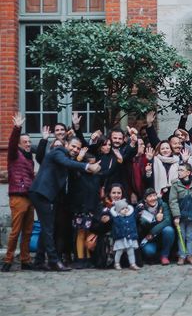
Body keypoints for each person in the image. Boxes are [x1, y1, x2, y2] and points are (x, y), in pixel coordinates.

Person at [29, 136, 101, 271]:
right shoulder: (59, 152)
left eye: (78, 148)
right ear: (67, 144)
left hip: (49, 196)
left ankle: (39, 261)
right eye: (73, 146)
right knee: (49, 228)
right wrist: (88, 166)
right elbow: (67, 163)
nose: (75, 149)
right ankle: (53, 261)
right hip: (41, 193)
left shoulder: (69, 159)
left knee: (47, 228)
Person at [3, 113, 35, 272]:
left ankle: (25, 259)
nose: (28, 144)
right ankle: (8, 260)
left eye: (29, 141)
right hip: (18, 197)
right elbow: (11, 142)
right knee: (15, 231)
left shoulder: (29, 158)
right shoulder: (14, 155)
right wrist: (17, 128)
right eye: (26, 142)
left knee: (28, 231)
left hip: (29, 197)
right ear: (20, 144)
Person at [169, 163, 192, 265]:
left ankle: (190, 255)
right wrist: (176, 215)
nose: (179, 172)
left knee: (190, 236)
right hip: (181, 215)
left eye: (181, 170)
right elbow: (173, 201)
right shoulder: (175, 184)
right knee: (181, 236)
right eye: (178, 170)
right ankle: (182, 255)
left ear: (188, 172)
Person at [137, 188, 174, 266]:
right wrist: (156, 220)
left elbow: (167, 221)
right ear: (145, 199)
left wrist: (152, 232)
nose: (153, 198)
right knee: (149, 252)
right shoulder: (141, 208)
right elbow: (143, 223)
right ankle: (156, 257)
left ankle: (165, 256)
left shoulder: (163, 205)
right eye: (150, 196)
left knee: (169, 230)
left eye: (154, 195)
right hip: (148, 239)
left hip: (160, 235)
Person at [110, 198, 140, 271]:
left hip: (130, 237)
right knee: (119, 251)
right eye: (123, 208)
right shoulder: (116, 218)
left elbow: (136, 212)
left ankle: (132, 263)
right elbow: (112, 214)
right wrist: (113, 208)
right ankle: (116, 263)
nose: (125, 210)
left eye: (126, 208)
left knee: (131, 251)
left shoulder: (131, 215)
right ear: (118, 210)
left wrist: (139, 208)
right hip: (121, 237)